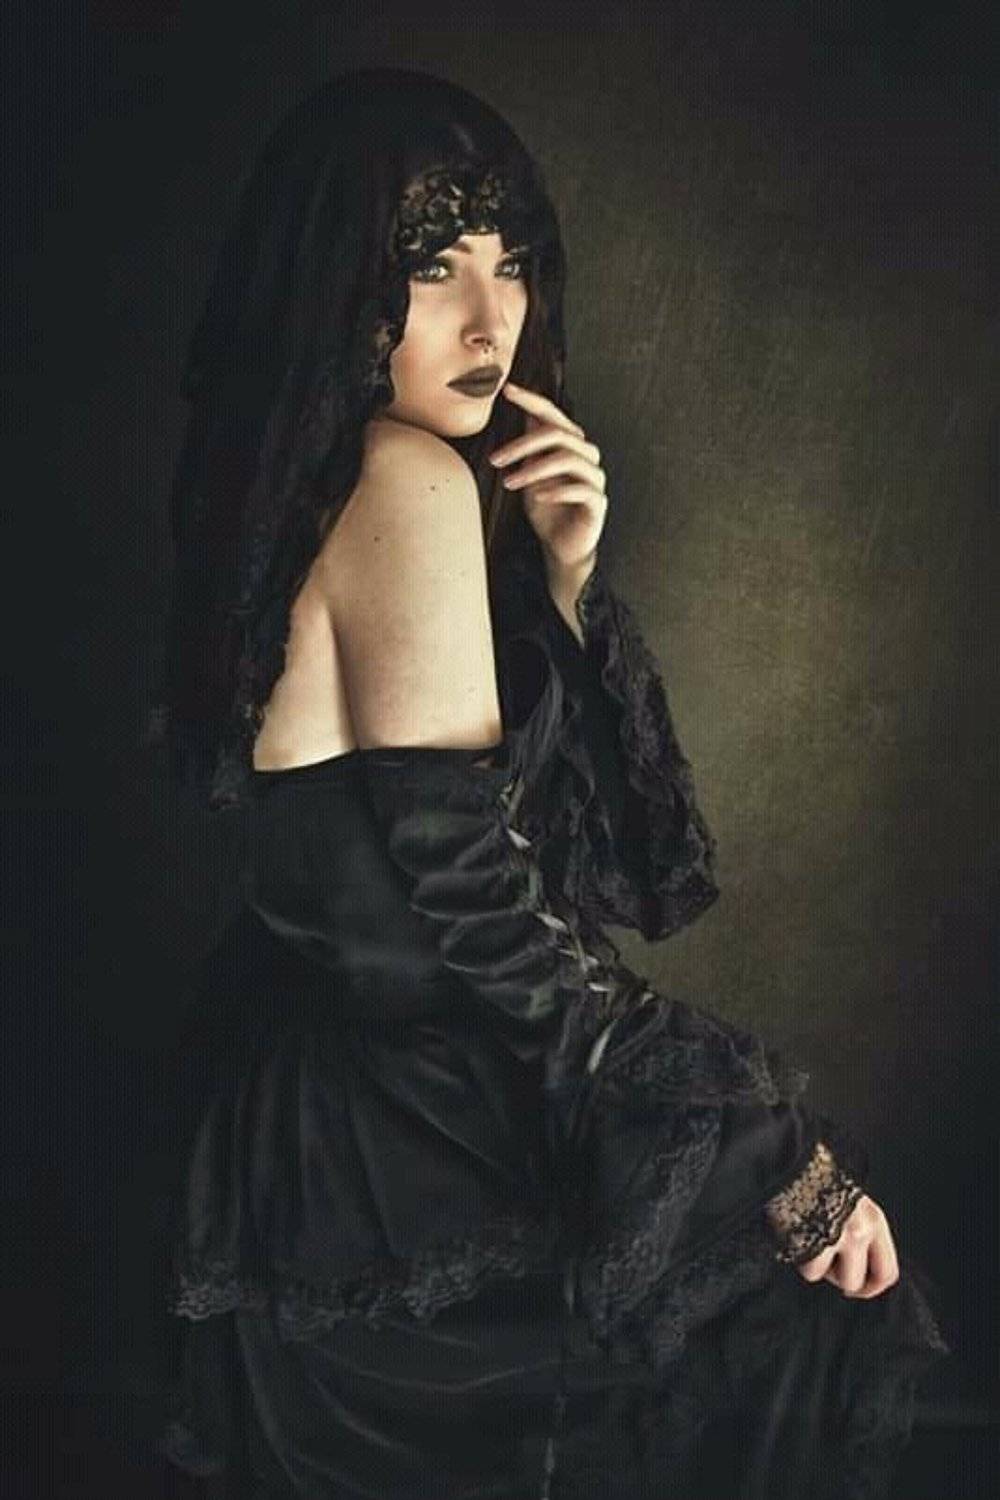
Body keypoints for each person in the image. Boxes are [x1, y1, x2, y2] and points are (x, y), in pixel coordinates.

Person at [153, 67, 947, 1499]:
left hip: (317, 1135)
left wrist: (565, 592)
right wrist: (778, 1157)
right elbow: (497, 923)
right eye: (430, 265)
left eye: (509, 261)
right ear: (339, 286)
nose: (489, 318)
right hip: (395, 1161)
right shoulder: (401, 479)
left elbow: (587, 873)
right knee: (813, 1311)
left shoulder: (307, 486)